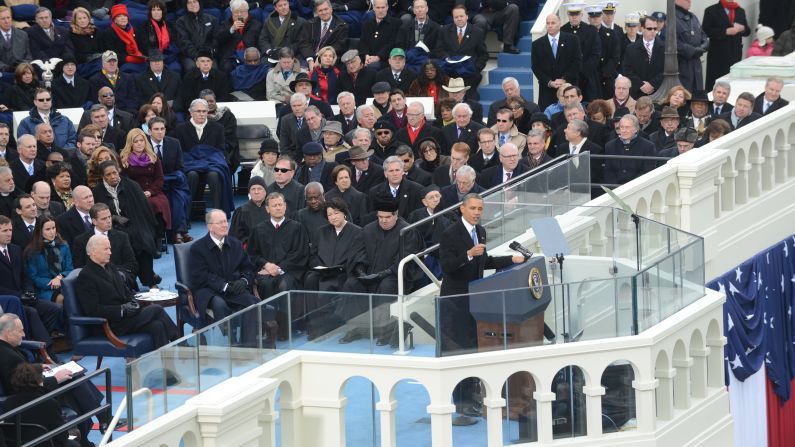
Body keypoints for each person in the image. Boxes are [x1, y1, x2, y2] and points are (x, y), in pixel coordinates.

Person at [438, 193, 524, 422]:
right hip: (455, 302)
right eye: (473, 208)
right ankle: (461, 405)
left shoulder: (481, 232)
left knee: (473, 349)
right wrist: (468, 254)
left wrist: (512, 260)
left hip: (475, 301)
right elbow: (447, 267)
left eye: (480, 209)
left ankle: (472, 397)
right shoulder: (450, 233)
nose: (477, 212)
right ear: (462, 209)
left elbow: (484, 262)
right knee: (458, 352)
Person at [0, 313, 103, 447]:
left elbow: (18, 371)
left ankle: (98, 420)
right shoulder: (7, 356)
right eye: (21, 331)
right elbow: (21, 386)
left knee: (73, 377)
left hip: (30, 388)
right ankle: (100, 418)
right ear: (8, 333)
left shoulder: (5, 348)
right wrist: (55, 379)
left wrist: (36, 368)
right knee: (72, 384)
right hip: (28, 396)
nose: (24, 335)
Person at [77, 234, 177, 347]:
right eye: (106, 249)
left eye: (110, 248)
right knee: (156, 309)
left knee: (157, 326)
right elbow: (92, 310)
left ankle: (167, 362)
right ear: (93, 251)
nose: (110, 252)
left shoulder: (111, 267)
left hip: (125, 319)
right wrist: (122, 309)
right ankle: (181, 344)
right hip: (109, 324)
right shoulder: (86, 276)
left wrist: (134, 302)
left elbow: (125, 291)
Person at [189, 210, 261, 344]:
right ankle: (231, 344)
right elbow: (201, 276)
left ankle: (248, 346)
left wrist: (244, 281)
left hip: (234, 288)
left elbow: (248, 267)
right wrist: (223, 286)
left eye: (225, 221)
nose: (225, 225)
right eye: (220, 222)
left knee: (252, 303)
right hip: (210, 291)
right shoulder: (197, 248)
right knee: (219, 304)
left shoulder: (235, 244)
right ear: (210, 226)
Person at [92, 160, 161, 287]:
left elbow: (144, 210)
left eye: (114, 172)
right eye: (108, 174)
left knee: (142, 239)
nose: (112, 176)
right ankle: (129, 281)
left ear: (118, 171)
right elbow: (98, 213)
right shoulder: (98, 191)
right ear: (103, 177)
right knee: (120, 241)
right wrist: (114, 218)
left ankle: (149, 279)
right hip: (111, 226)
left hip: (135, 224)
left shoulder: (131, 185)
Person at [173, 99, 232, 214]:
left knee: (215, 175)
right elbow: (181, 152)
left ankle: (218, 212)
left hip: (211, 164)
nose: (201, 114)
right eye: (198, 111)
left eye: (204, 111)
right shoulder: (180, 129)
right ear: (191, 112)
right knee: (192, 175)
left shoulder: (217, 128)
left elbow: (219, 150)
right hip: (190, 165)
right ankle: (186, 214)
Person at [248, 192, 309, 300]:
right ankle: (269, 316)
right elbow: (252, 254)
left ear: (285, 206)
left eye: (280, 205)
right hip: (265, 272)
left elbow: (300, 254)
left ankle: (285, 317)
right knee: (265, 285)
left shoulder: (296, 228)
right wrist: (266, 265)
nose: (278, 208)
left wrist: (279, 269)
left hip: (289, 271)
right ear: (267, 209)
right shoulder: (259, 229)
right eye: (274, 205)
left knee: (284, 285)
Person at [4, 363, 81, 447]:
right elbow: (62, 436)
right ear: (39, 380)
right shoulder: (49, 403)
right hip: (47, 444)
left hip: (19, 444)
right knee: (74, 441)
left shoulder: (7, 403)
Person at [71, 203, 137, 291]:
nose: (109, 221)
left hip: (120, 280)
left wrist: (113, 273)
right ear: (94, 221)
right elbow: (79, 267)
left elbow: (132, 264)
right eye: (104, 219)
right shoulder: (81, 240)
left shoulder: (122, 237)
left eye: (109, 217)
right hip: (95, 283)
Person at [119, 128, 171, 237]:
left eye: (141, 140)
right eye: (136, 141)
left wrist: (150, 192)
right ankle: (146, 236)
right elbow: (123, 180)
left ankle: (158, 237)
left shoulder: (153, 157)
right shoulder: (124, 159)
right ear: (130, 143)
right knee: (142, 205)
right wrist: (138, 193)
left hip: (152, 191)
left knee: (158, 204)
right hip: (133, 193)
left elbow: (159, 179)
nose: (139, 144)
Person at [531, 14, 582, 109]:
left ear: (559, 24)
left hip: (569, 88)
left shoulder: (572, 40)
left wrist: (564, 79)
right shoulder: (537, 44)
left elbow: (577, 62)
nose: (550, 25)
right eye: (548, 23)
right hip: (547, 91)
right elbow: (535, 67)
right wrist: (549, 82)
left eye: (553, 23)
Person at [435, 5, 488, 92]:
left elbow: (483, 55)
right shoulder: (444, 31)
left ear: (467, 16)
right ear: (453, 18)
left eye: (461, 16)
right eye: (456, 17)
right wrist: (447, 58)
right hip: (449, 71)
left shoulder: (477, 32)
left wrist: (475, 68)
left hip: (469, 73)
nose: (459, 19)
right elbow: (438, 50)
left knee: (470, 97)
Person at [23, 215, 73, 306]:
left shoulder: (64, 246)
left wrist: (59, 278)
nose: (52, 232)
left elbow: (70, 269)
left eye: (53, 228)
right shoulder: (32, 251)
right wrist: (52, 284)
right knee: (63, 299)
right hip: (44, 289)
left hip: (64, 283)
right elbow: (33, 277)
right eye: (48, 229)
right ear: (40, 231)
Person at [702, 0, 749, 91]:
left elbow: (747, 31)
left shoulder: (740, 10)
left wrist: (742, 28)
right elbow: (706, 31)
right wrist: (725, 31)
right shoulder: (711, 10)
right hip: (718, 55)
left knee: (733, 83)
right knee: (716, 83)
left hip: (735, 53)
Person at [603, 114, 657, 186]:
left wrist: (631, 187)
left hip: (638, 187)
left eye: (627, 127)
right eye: (622, 127)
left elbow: (647, 171)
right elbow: (608, 171)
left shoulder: (648, 146)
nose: (624, 130)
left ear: (636, 129)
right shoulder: (610, 146)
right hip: (615, 188)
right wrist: (615, 188)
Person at [297, 0, 350, 72]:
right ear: (317, 12)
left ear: (331, 9)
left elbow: (339, 46)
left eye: (326, 9)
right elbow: (304, 43)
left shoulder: (341, 26)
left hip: (328, 58)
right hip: (308, 57)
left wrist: (320, 58)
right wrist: (310, 60)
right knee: (301, 71)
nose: (324, 12)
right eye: (320, 10)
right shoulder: (310, 23)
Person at [175, 49, 231, 113]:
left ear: (212, 63)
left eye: (208, 61)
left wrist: (212, 107)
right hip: (196, 111)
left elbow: (223, 97)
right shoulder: (189, 77)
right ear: (197, 64)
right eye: (202, 61)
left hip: (216, 110)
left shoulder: (221, 77)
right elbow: (187, 99)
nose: (206, 64)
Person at [622, 16, 664, 99]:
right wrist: (640, 84)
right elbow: (627, 70)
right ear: (642, 28)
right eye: (649, 28)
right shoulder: (631, 48)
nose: (653, 31)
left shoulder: (664, 48)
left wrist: (652, 84)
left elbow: (667, 70)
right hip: (637, 94)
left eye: (655, 29)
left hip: (658, 93)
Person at [174, 0, 218, 73]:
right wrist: (197, 56)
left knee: (213, 68)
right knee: (192, 68)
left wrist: (207, 54)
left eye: (195, 2)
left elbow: (215, 39)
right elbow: (184, 42)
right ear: (186, 6)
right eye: (189, 3)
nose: (192, 4)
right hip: (189, 55)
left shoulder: (212, 19)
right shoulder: (180, 22)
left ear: (199, 3)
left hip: (208, 53)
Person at [675, 0, 709, 92]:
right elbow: (673, 43)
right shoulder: (672, 18)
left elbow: (703, 35)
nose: (690, 1)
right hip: (682, 65)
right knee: (685, 95)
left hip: (696, 64)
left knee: (697, 95)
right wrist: (693, 50)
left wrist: (704, 46)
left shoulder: (692, 17)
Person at [358, 0, 400, 70]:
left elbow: (392, 44)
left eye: (383, 7)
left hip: (385, 60)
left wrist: (378, 57)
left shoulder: (396, 23)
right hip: (367, 59)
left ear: (387, 7)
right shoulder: (367, 24)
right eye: (378, 8)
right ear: (373, 8)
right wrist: (366, 56)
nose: (380, 10)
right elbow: (363, 42)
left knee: (371, 67)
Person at [229, 176, 269, 246]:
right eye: (253, 189)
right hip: (250, 250)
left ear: (265, 191)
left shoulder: (273, 208)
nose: (256, 192)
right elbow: (236, 236)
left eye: (259, 189)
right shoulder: (241, 211)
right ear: (249, 192)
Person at [0, 6, 32, 74]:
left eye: (8, 18)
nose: (6, 21)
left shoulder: (23, 34)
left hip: (21, 72)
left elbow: (28, 56)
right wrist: (6, 68)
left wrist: (21, 67)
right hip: (2, 73)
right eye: (3, 19)